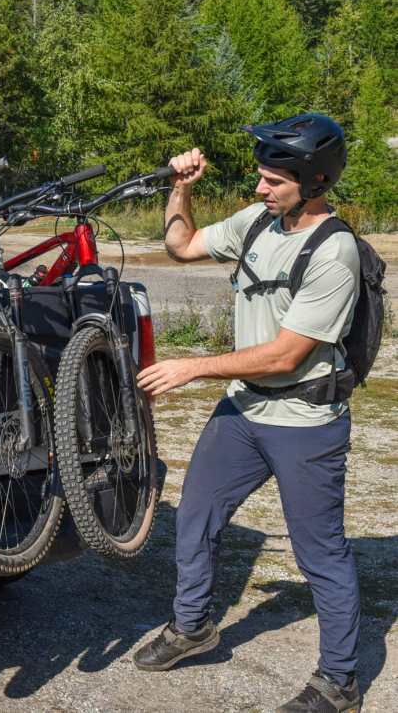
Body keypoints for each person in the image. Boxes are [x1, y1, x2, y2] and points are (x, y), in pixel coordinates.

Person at [131, 114, 363, 713]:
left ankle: (339, 683)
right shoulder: (260, 221)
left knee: (320, 555)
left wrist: (191, 366)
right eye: (260, 178)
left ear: (313, 182)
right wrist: (180, 186)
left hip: (304, 424)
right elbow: (181, 247)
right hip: (243, 411)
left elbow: (287, 355)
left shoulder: (335, 252)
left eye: (271, 181)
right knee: (196, 518)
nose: (259, 189)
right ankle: (194, 628)